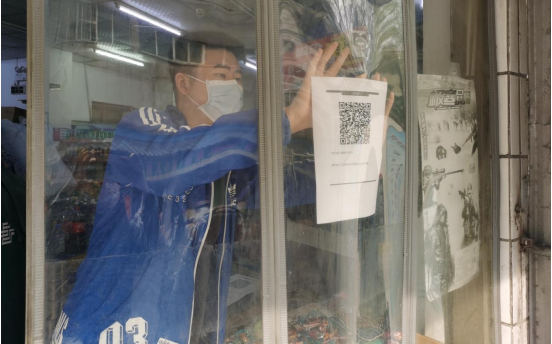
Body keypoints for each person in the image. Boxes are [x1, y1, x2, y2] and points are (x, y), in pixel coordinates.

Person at [51, 38, 394, 344]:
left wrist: (362, 157)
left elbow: (295, 183)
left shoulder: (234, 166)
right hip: (104, 330)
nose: (233, 85)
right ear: (184, 83)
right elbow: (172, 164)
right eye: (220, 74)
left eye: (238, 77)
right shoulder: (143, 127)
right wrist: (287, 119)